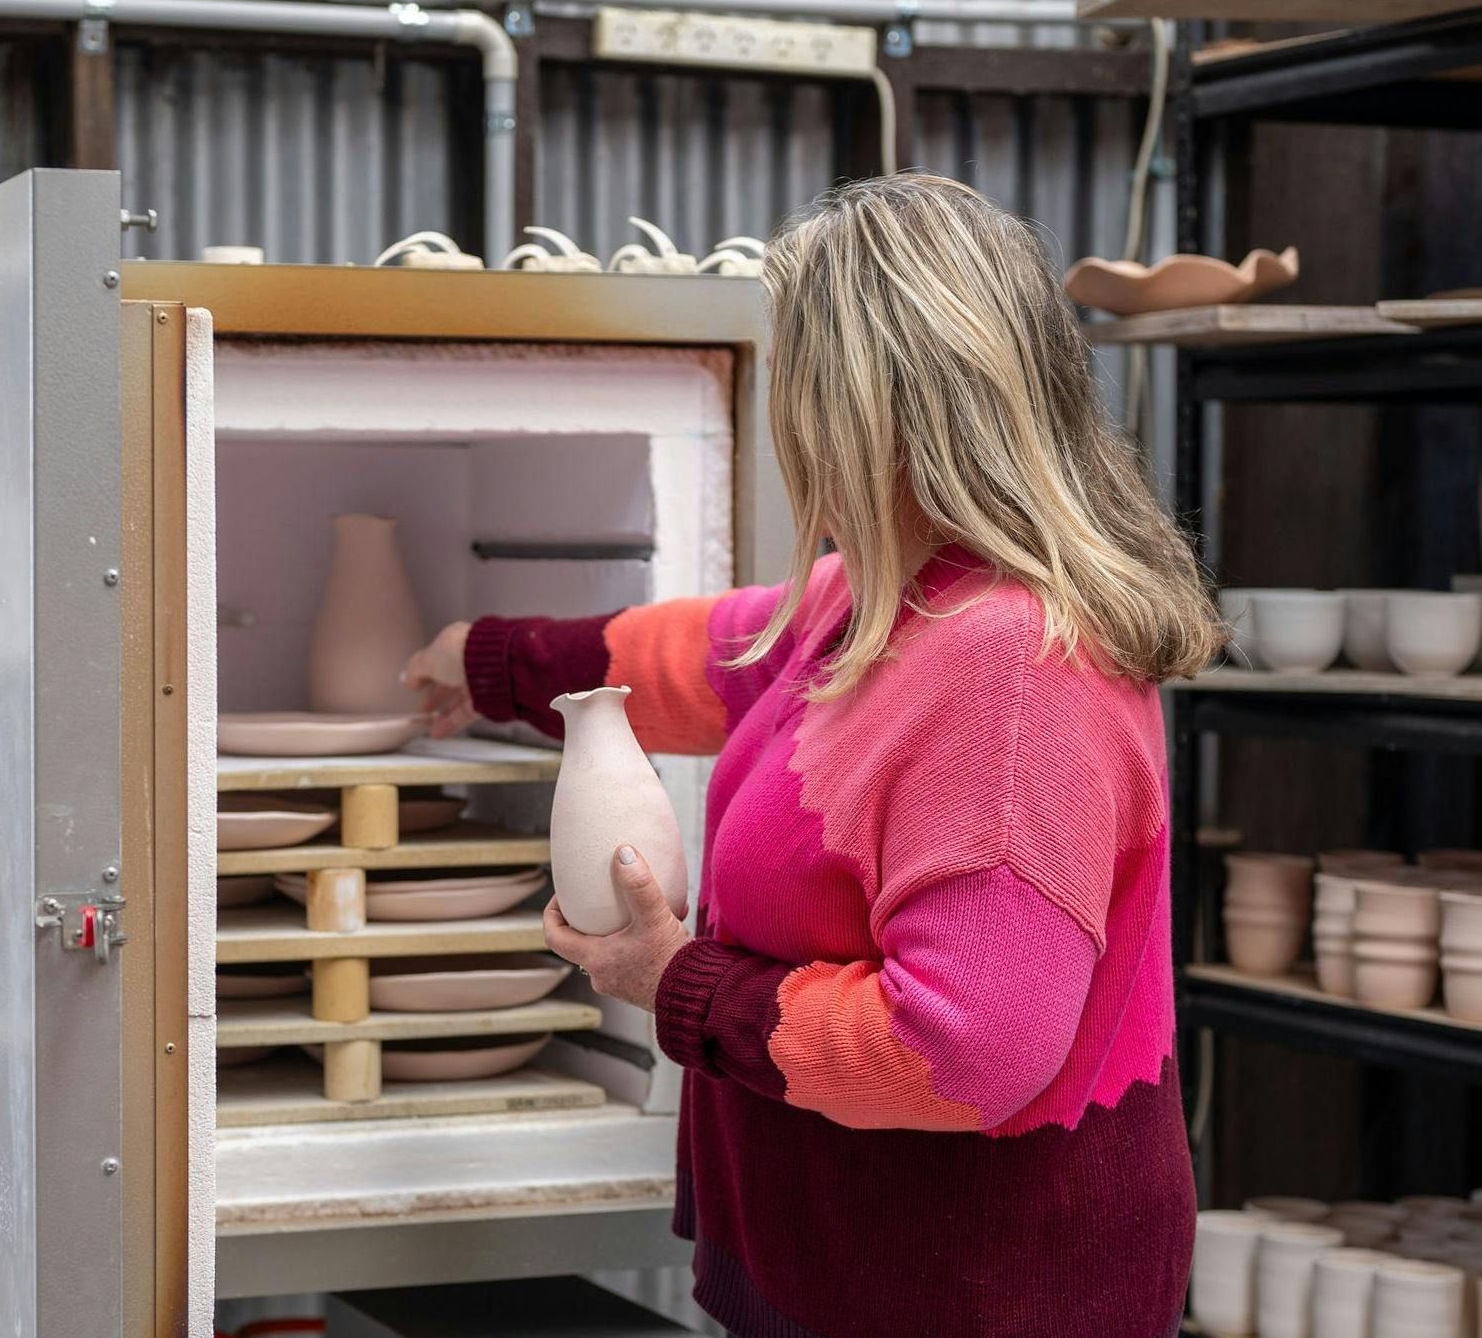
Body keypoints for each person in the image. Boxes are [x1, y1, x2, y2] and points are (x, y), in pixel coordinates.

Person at [404, 173, 1220, 1338]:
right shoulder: (892, 594)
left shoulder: (1010, 669)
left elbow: (964, 1049)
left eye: (798, 375)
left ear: (867, 407)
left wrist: (672, 982)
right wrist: (489, 661)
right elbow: (710, 654)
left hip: (976, 1292)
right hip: (862, 1269)